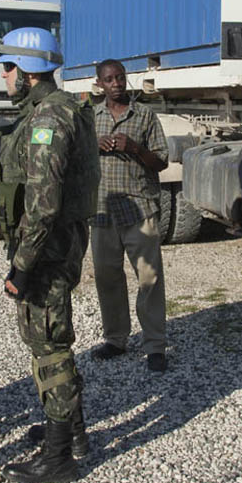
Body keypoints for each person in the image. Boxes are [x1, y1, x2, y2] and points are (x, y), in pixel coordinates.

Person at [0, 27, 99, 483]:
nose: (5, 76)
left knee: (49, 347)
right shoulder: (52, 108)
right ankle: (72, 432)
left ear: (27, 72)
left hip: (46, 250)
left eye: (8, 68)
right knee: (51, 341)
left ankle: (58, 457)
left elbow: (44, 201)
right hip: (54, 242)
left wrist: (21, 265)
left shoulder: (49, 116)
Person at [88, 59, 170, 372]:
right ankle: (116, 339)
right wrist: (95, 145)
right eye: (109, 79)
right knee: (108, 277)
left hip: (140, 210)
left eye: (120, 78)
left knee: (149, 279)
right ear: (100, 84)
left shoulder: (145, 116)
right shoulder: (90, 118)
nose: (116, 84)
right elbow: (77, 156)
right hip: (102, 210)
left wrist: (134, 147)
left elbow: (161, 161)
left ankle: (155, 345)